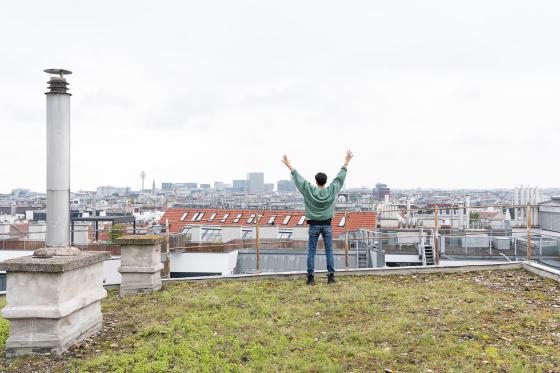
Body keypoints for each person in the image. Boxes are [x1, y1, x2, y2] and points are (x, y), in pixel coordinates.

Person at [281, 150, 353, 285]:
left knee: (311, 251)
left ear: (316, 181)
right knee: (329, 251)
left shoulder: (309, 190)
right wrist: (346, 162)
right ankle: (331, 277)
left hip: (313, 225)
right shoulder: (331, 190)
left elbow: (299, 179)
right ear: (325, 181)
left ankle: (310, 278)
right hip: (327, 225)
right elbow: (340, 178)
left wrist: (289, 165)